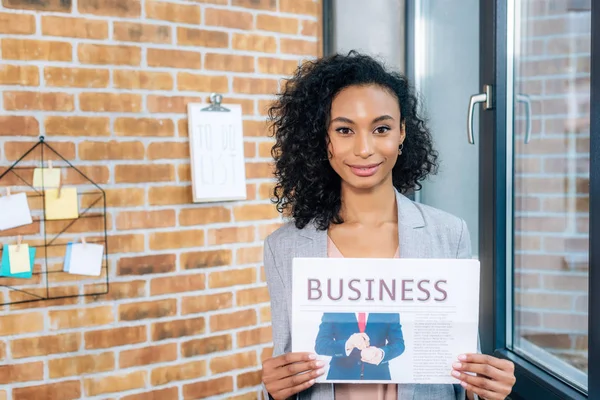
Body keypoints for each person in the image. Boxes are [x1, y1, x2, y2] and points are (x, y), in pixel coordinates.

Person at [261, 51, 516, 400]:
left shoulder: (449, 233)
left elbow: (461, 377)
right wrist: (271, 392)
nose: (364, 149)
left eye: (381, 128)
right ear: (324, 140)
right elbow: (289, 368)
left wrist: (487, 388)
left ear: (402, 133)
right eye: (344, 130)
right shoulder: (284, 247)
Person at [314, 312, 405, 381]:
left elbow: (398, 344)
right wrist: (348, 344)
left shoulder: (389, 310)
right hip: (340, 377)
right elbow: (321, 345)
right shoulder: (333, 309)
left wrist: (381, 353)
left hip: (378, 377)